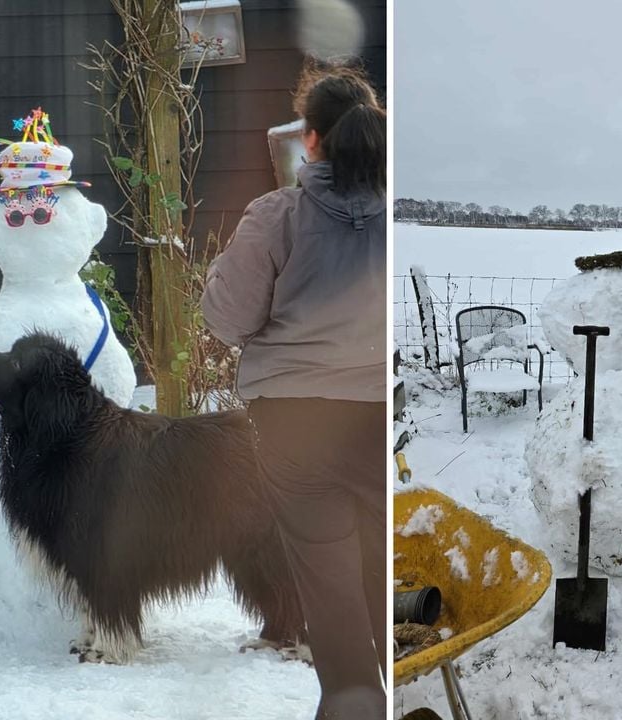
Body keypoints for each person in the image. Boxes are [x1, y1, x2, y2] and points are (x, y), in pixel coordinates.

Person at [201, 64, 386, 719]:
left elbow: (226, 320)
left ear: (310, 140)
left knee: (328, 579)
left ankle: (353, 702)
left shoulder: (276, 215)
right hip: (376, 420)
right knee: (380, 561)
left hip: (294, 429)